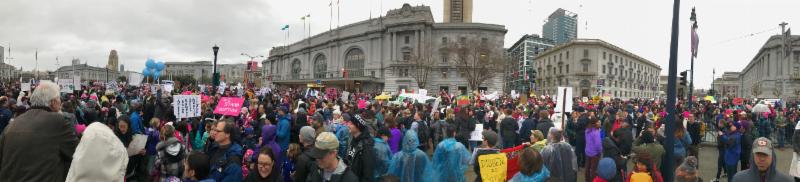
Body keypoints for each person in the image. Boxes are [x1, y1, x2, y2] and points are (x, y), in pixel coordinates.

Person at [0, 81, 79, 181]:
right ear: (53, 102)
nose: (61, 103)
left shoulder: (12, 124)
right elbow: (77, 154)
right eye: (59, 99)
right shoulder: (57, 121)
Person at [343, 114, 376, 182]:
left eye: (351, 124)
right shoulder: (351, 137)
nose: (348, 125)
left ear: (358, 126)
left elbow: (368, 173)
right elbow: (347, 158)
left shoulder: (367, 146)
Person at [585, 117, 603, 182]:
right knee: (593, 170)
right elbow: (598, 145)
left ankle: (587, 180)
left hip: (588, 151)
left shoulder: (587, 130)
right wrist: (600, 151)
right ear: (595, 123)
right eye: (598, 122)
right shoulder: (596, 132)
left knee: (587, 168)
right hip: (595, 154)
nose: (599, 123)